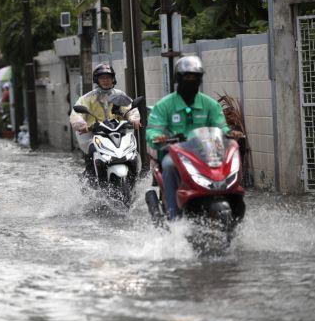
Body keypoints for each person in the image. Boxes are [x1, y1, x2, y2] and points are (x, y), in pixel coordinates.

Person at [146, 55, 243, 220]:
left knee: (229, 164)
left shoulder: (210, 104)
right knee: (169, 166)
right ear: (178, 78)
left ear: (200, 79)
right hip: (174, 153)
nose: (191, 80)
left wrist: (229, 133)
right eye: (187, 77)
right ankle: (173, 214)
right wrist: (159, 137)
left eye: (195, 77)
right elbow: (152, 131)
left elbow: (221, 127)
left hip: (207, 151)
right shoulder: (164, 105)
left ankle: (234, 203)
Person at [69, 63, 141, 178]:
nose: (105, 80)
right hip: (96, 135)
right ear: (97, 80)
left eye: (108, 78)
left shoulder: (119, 95)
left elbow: (130, 109)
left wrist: (133, 119)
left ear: (113, 79)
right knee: (92, 151)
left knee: (133, 151)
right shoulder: (87, 98)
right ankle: (90, 180)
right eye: (102, 78)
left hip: (119, 134)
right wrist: (81, 123)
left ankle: (135, 176)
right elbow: (76, 113)